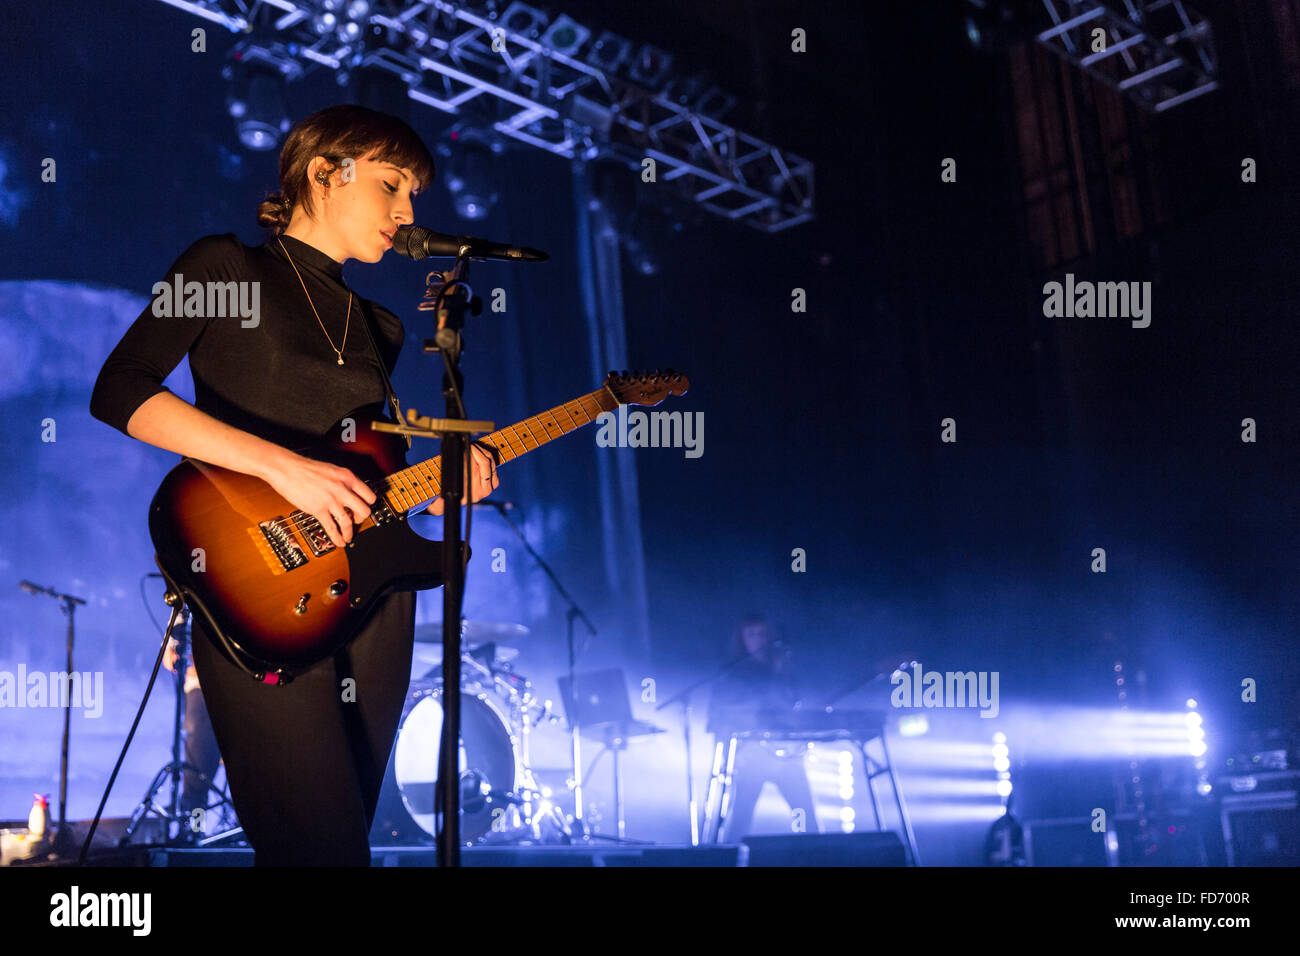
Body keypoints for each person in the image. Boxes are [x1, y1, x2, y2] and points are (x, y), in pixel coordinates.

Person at [89, 104, 500, 865]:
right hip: (260, 579)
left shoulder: (383, 325)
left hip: (375, 596)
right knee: (316, 846)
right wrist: (278, 465)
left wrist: (436, 487)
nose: (408, 213)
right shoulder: (226, 269)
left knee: (346, 841)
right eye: (392, 185)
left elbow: (365, 465)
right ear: (324, 172)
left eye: (414, 194)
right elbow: (120, 391)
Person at [708, 615, 821, 841]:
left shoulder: (784, 667)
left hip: (786, 756)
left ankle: (817, 858)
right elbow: (718, 716)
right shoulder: (731, 673)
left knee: (805, 814)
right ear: (742, 640)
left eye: (762, 634)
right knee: (740, 817)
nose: (758, 640)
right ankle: (731, 859)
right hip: (752, 757)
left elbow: (797, 703)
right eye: (751, 635)